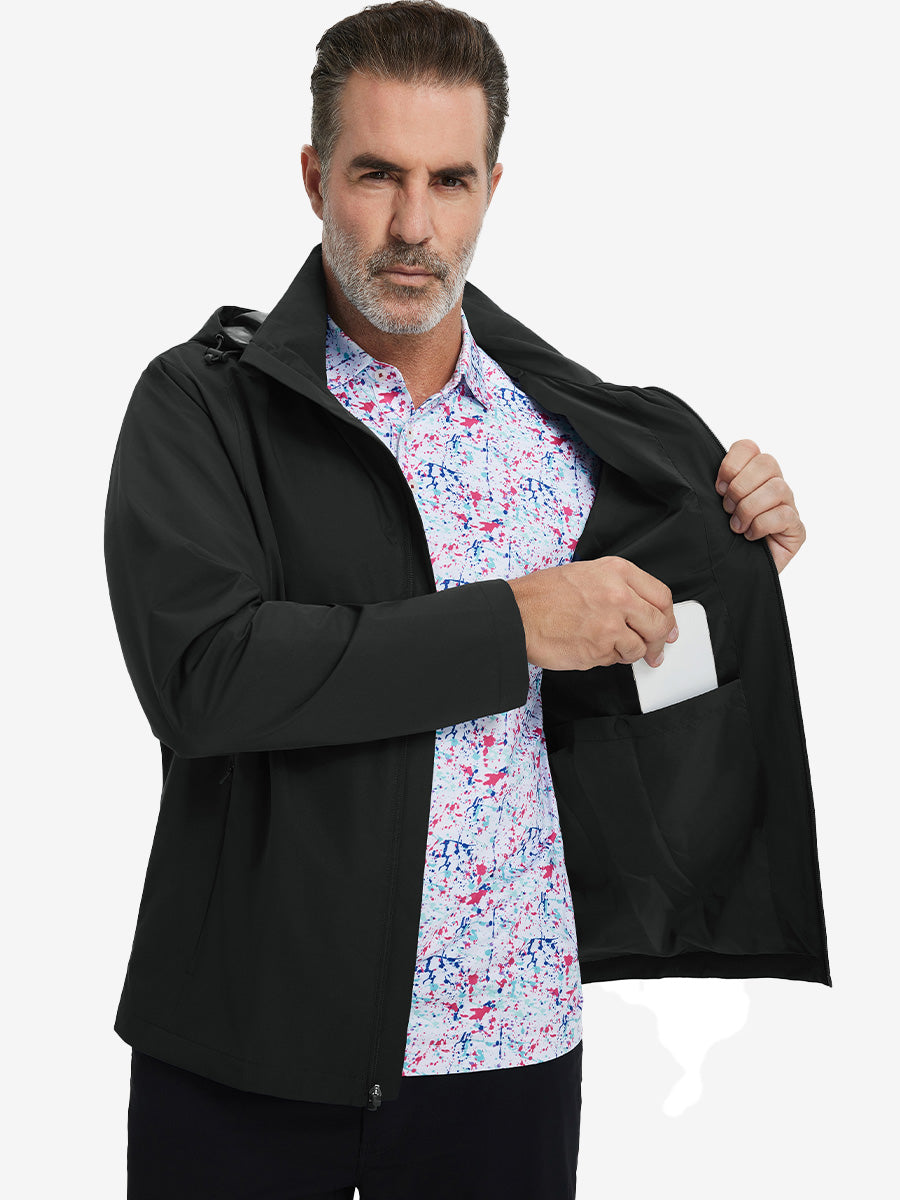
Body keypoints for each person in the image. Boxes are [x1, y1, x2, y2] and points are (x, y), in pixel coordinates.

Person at [107, 3, 825, 1198]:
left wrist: (733, 578)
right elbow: (205, 678)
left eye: (449, 180)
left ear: (493, 187)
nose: (412, 225)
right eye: (376, 174)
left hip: (510, 1046)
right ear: (314, 178)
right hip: (248, 1044)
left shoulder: (565, 431)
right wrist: (511, 623)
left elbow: (627, 703)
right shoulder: (204, 407)